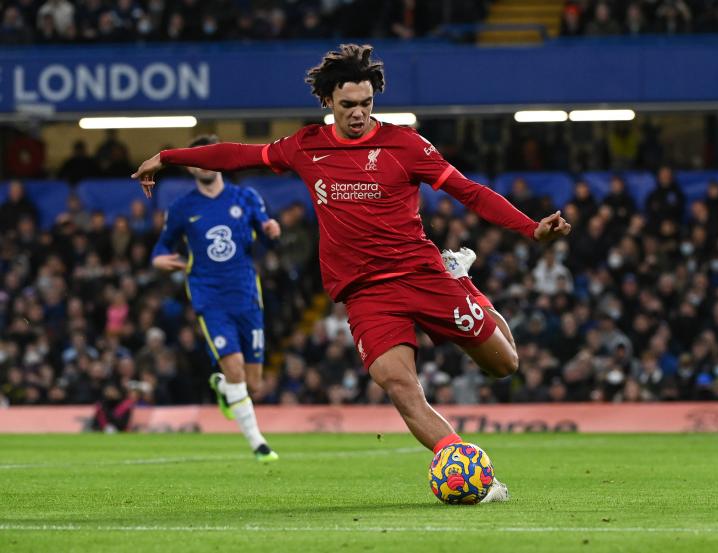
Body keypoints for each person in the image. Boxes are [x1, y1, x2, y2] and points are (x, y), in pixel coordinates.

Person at [132, 44, 571, 498]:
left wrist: (529, 228)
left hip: (421, 274)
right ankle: (471, 476)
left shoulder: (406, 145)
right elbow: (238, 155)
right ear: (327, 102)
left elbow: (469, 192)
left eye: (366, 104)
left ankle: (463, 280)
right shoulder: (306, 147)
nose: (358, 113)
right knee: (399, 386)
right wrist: (169, 157)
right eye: (348, 105)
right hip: (366, 294)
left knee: (505, 366)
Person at [149, 135, 281, 463]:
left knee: (254, 383)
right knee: (235, 369)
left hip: (247, 295)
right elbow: (161, 247)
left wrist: (272, 231)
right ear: (190, 168)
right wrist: (159, 260)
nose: (203, 164)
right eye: (196, 160)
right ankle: (259, 445)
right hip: (210, 297)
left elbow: (267, 229)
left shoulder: (245, 197)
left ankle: (223, 388)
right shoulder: (182, 208)